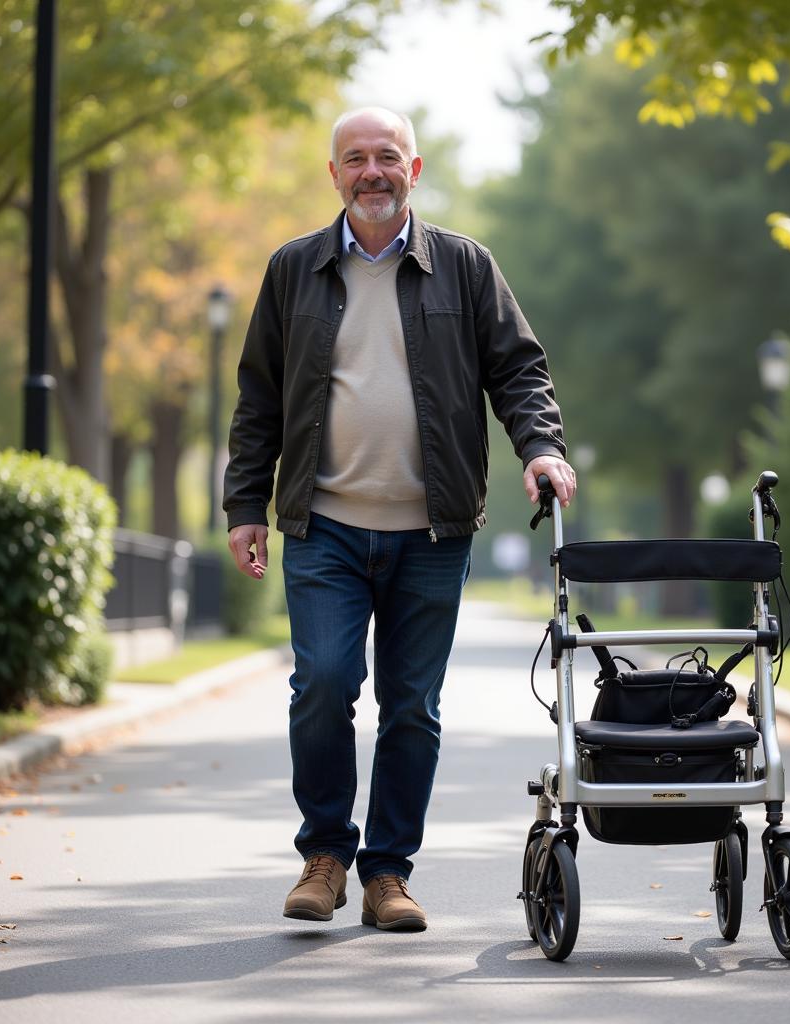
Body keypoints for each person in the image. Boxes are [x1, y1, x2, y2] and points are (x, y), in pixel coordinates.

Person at [223, 106, 575, 932]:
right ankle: (325, 856)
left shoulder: (465, 267)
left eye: (388, 157)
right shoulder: (293, 270)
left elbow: (519, 371)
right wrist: (246, 506)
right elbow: (259, 399)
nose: (372, 172)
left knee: (412, 705)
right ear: (334, 175)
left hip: (431, 529)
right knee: (324, 688)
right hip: (325, 525)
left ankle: (387, 873)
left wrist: (541, 449)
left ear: (413, 171)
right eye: (355, 159)